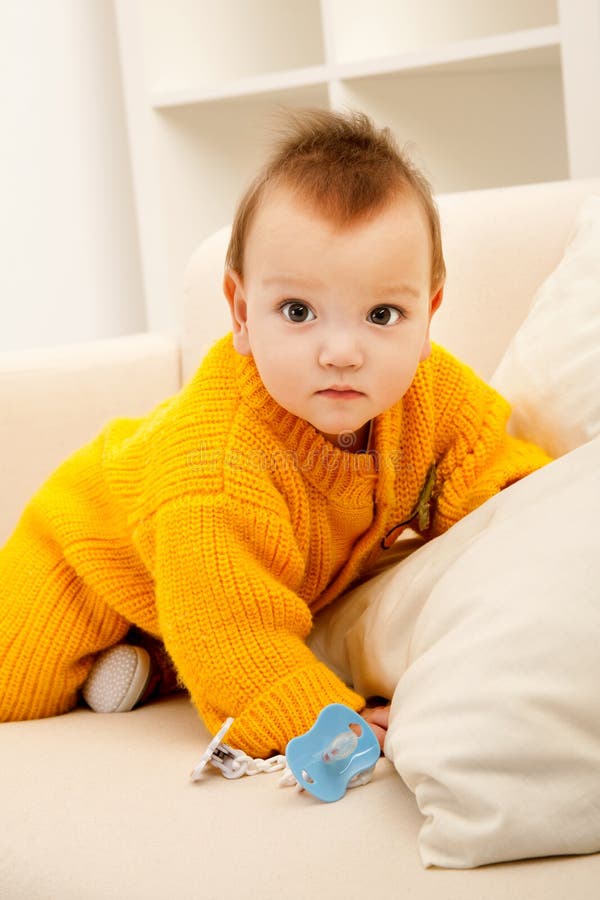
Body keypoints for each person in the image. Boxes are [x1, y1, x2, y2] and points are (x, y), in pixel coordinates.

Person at [0, 108, 551, 756]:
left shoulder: (427, 395)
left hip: (201, 582)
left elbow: (502, 482)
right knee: (18, 682)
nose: (342, 351)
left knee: (215, 596)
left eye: (382, 313)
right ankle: (123, 651)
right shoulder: (217, 468)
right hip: (78, 558)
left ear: (426, 315)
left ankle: (139, 662)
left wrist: (549, 527)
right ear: (240, 313)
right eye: (298, 312)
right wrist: (330, 721)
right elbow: (235, 637)